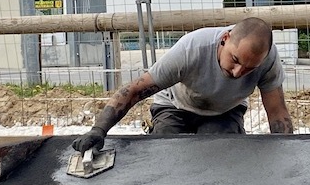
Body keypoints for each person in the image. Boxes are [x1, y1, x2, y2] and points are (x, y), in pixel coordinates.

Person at [72, 17, 293, 154]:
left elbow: (277, 112)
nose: (238, 73)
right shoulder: (191, 50)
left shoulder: (268, 60)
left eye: (249, 68)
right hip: (174, 106)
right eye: (235, 60)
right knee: (167, 151)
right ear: (224, 39)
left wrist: (289, 154)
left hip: (224, 111)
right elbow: (135, 90)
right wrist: (98, 130)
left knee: (223, 153)